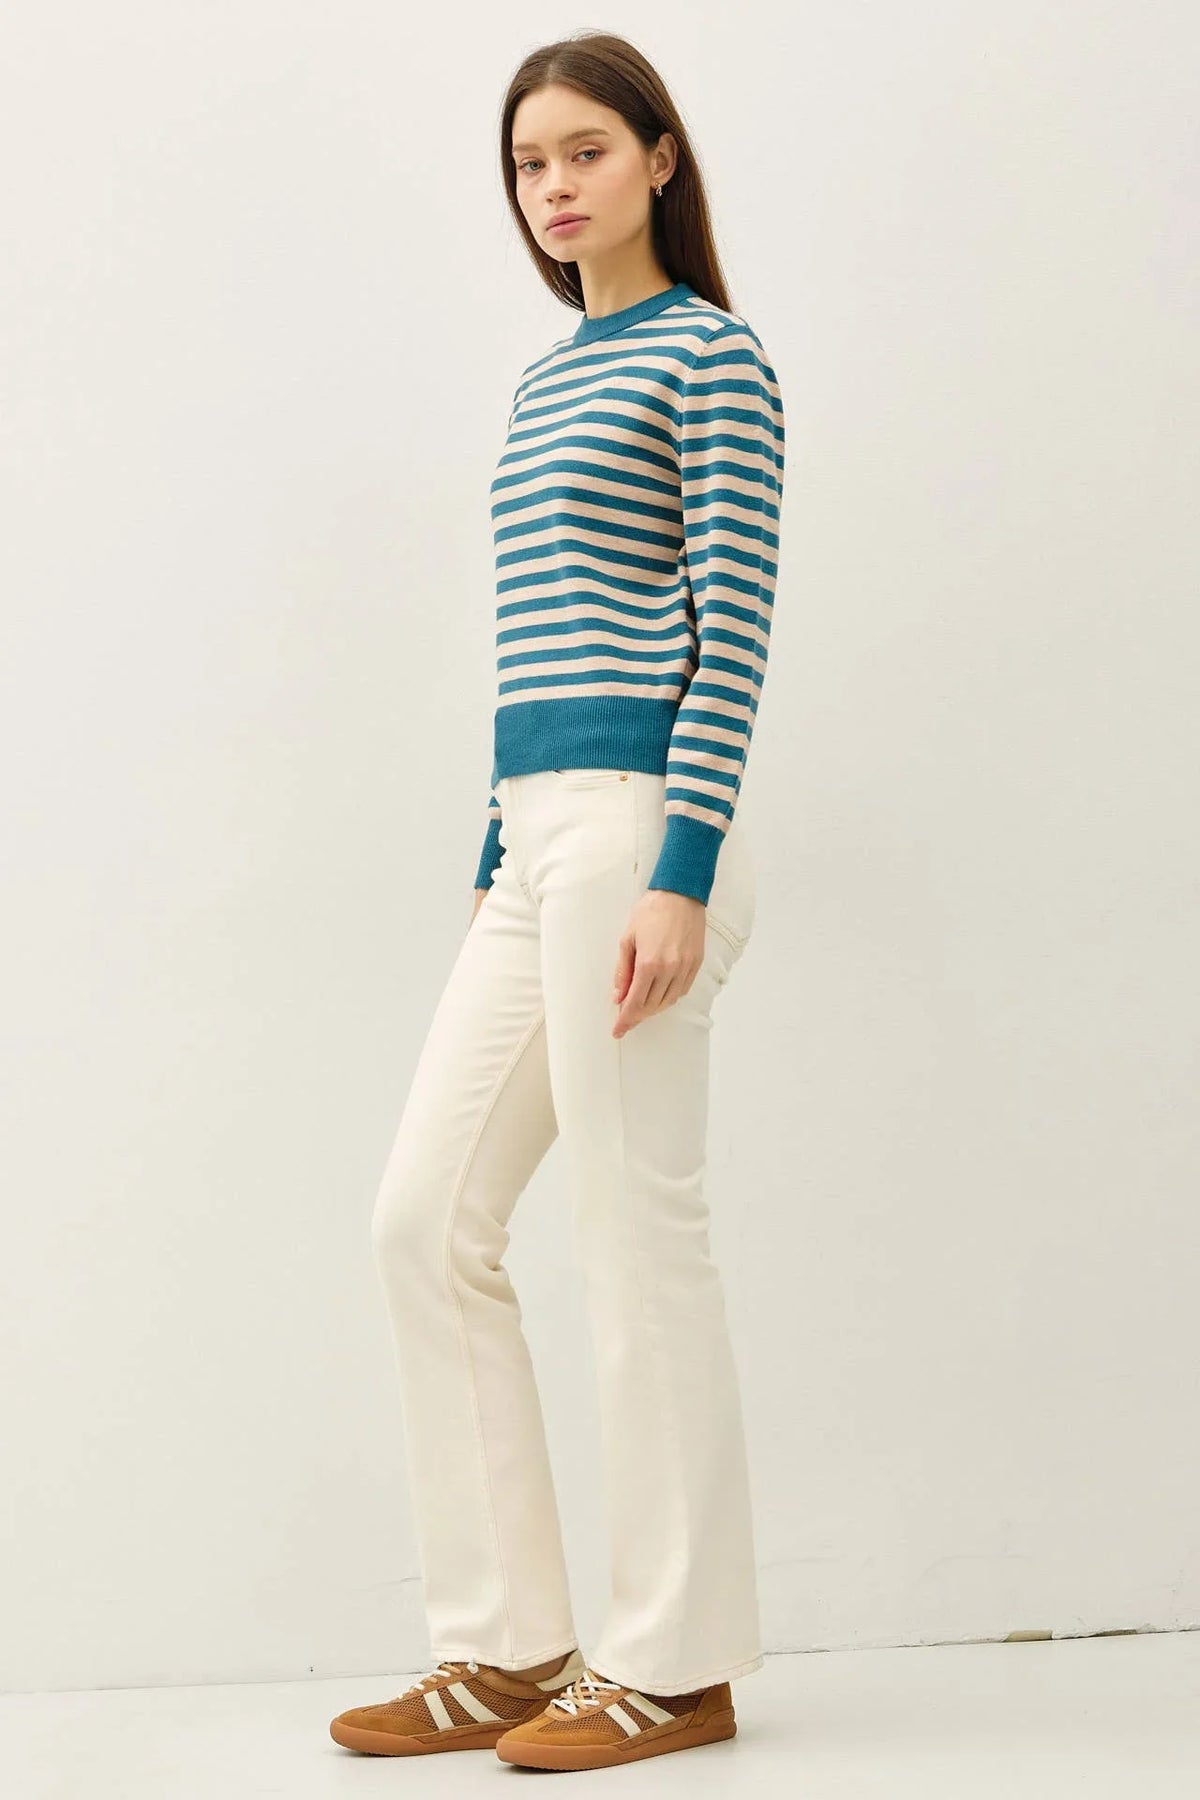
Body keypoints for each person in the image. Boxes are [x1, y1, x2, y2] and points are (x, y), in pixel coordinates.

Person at [330, 28, 785, 1772]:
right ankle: (510, 1645)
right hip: (536, 845)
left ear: (660, 160)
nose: (556, 185)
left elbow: (730, 624)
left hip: (641, 834)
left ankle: (674, 1662)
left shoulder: (714, 357)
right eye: (531, 163)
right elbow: (539, 642)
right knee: (422, 1222)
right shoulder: (541, 386)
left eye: (588, 149)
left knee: (632, 1232)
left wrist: (682, 871)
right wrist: (488, 863)